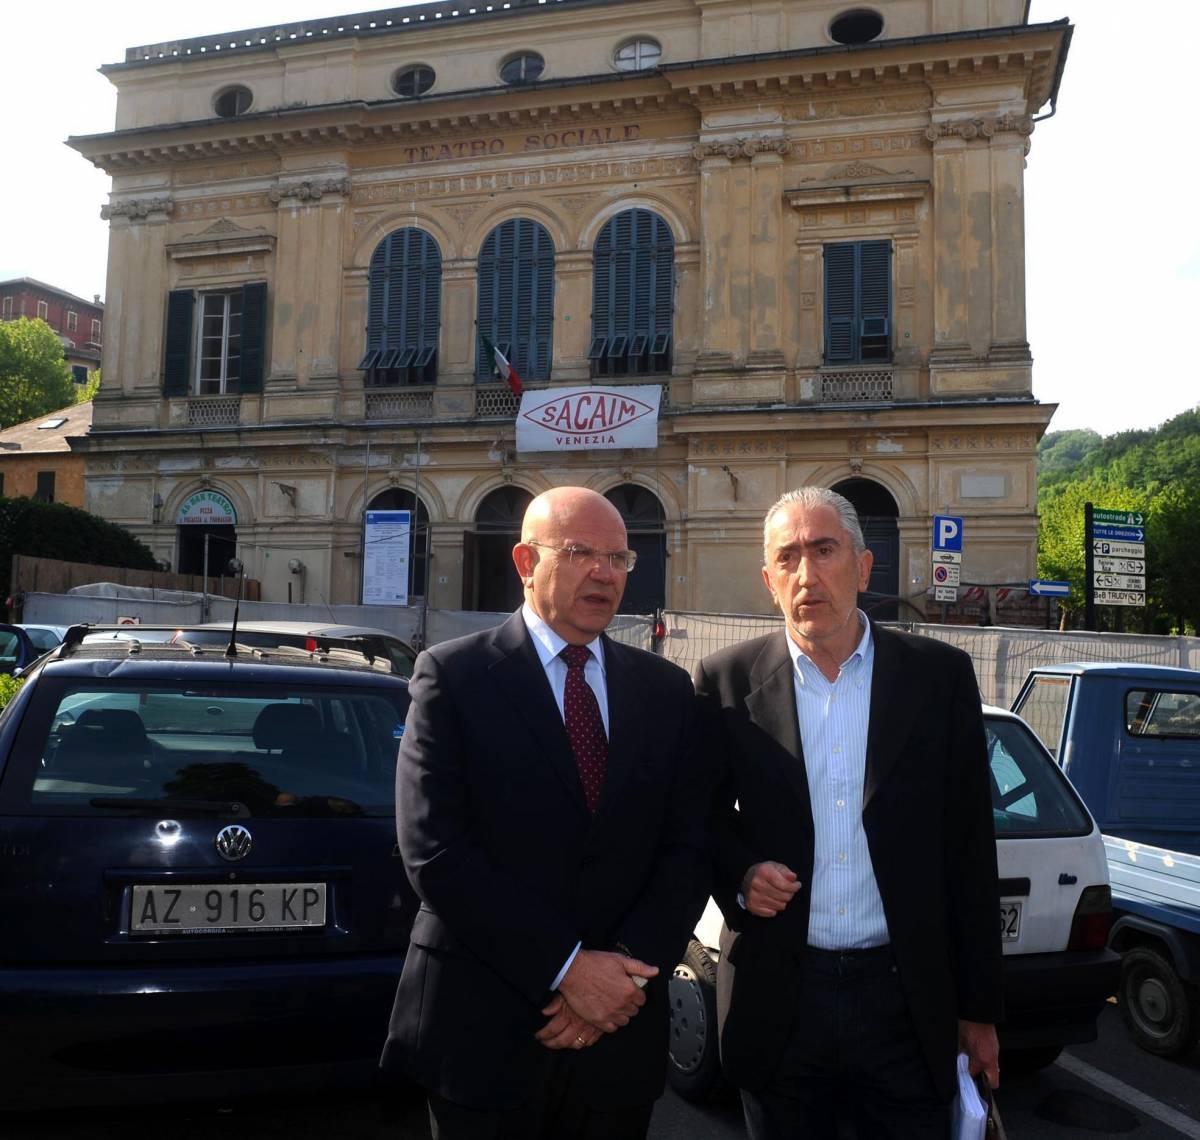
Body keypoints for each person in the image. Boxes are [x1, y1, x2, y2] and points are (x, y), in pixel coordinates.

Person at [381, 486, 709, 1140]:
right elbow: (434, 848)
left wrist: (619, 981)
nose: (605, 573)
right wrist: (566, 970)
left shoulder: (666, 690)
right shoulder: (453, 675)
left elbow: (687, 847)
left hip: (619, 1034)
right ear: (526, 562)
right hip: (483, 1032)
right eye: (581, 552)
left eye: (620, 558)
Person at [694, 486, 1002, 1140]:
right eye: (788, 558)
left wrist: (978, 1012)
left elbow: (971, 848)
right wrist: (742, 873)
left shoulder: (937, 677)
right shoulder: (725, 682)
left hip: (905, 1002)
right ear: (769, 581)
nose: (807, 574)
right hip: (780, 1002)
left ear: (862, 567)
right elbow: (699, 821)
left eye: (824, 550)